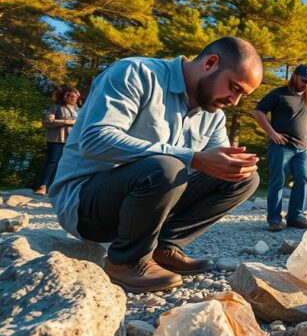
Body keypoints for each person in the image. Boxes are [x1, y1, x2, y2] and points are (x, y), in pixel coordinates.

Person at [48, 37, 263, 292]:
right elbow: (95, 140)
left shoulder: (213, 116)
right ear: (210, 63)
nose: (234, 101)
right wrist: (192, 157)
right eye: (234, 88)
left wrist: (232, 165)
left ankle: (164, 246)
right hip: (86, 205)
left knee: (244, 178)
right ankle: (126, 261)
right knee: (168, 166)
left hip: (146, 202)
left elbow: (216, 167)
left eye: (242, 95)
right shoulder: (136, 73)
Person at [254, 64, 307, 231]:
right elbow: (258, 112)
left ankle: (295, 217)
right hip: (282, 147)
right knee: (278, 181)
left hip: (303, 149)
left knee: (302, 180)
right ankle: (274, 220)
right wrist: (272, 133)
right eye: (304, 80)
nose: (306, 84)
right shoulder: (279, 93)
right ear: (295, 76)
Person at [34, 85, 81, 196]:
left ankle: (57, 189)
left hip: (72, 141)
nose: (75, 99)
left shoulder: (79, 110)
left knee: (67, 165)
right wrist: (67, 122)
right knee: (52, 162)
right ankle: (42, 187)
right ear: (66, 96)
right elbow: (47, 121)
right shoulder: (56, 107)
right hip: (57, 139)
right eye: (72, 96)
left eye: (77, 97)